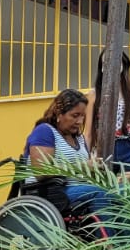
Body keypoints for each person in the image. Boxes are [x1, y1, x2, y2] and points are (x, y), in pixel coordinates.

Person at [25, 88, 113, 225]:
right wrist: (82, 166)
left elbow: (85, 169)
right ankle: (110, 244)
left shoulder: (79, 138)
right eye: (75, 115)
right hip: (51, 193)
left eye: (82, 116)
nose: (79, 121)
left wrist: (95, 168)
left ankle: (129, 243)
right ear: (59, 114)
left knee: (118, 194)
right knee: (99, 193)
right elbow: (41, 171)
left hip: (78, 189)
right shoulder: (44, 131)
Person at [89, 52, 130, 171]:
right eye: (105, 63)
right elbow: (88, 133)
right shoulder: (94, 94)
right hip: (103, 150)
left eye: (114, 62)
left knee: (127, 187)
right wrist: (87, 159)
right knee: (106, 188)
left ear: (123, 64)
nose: (110, 66)